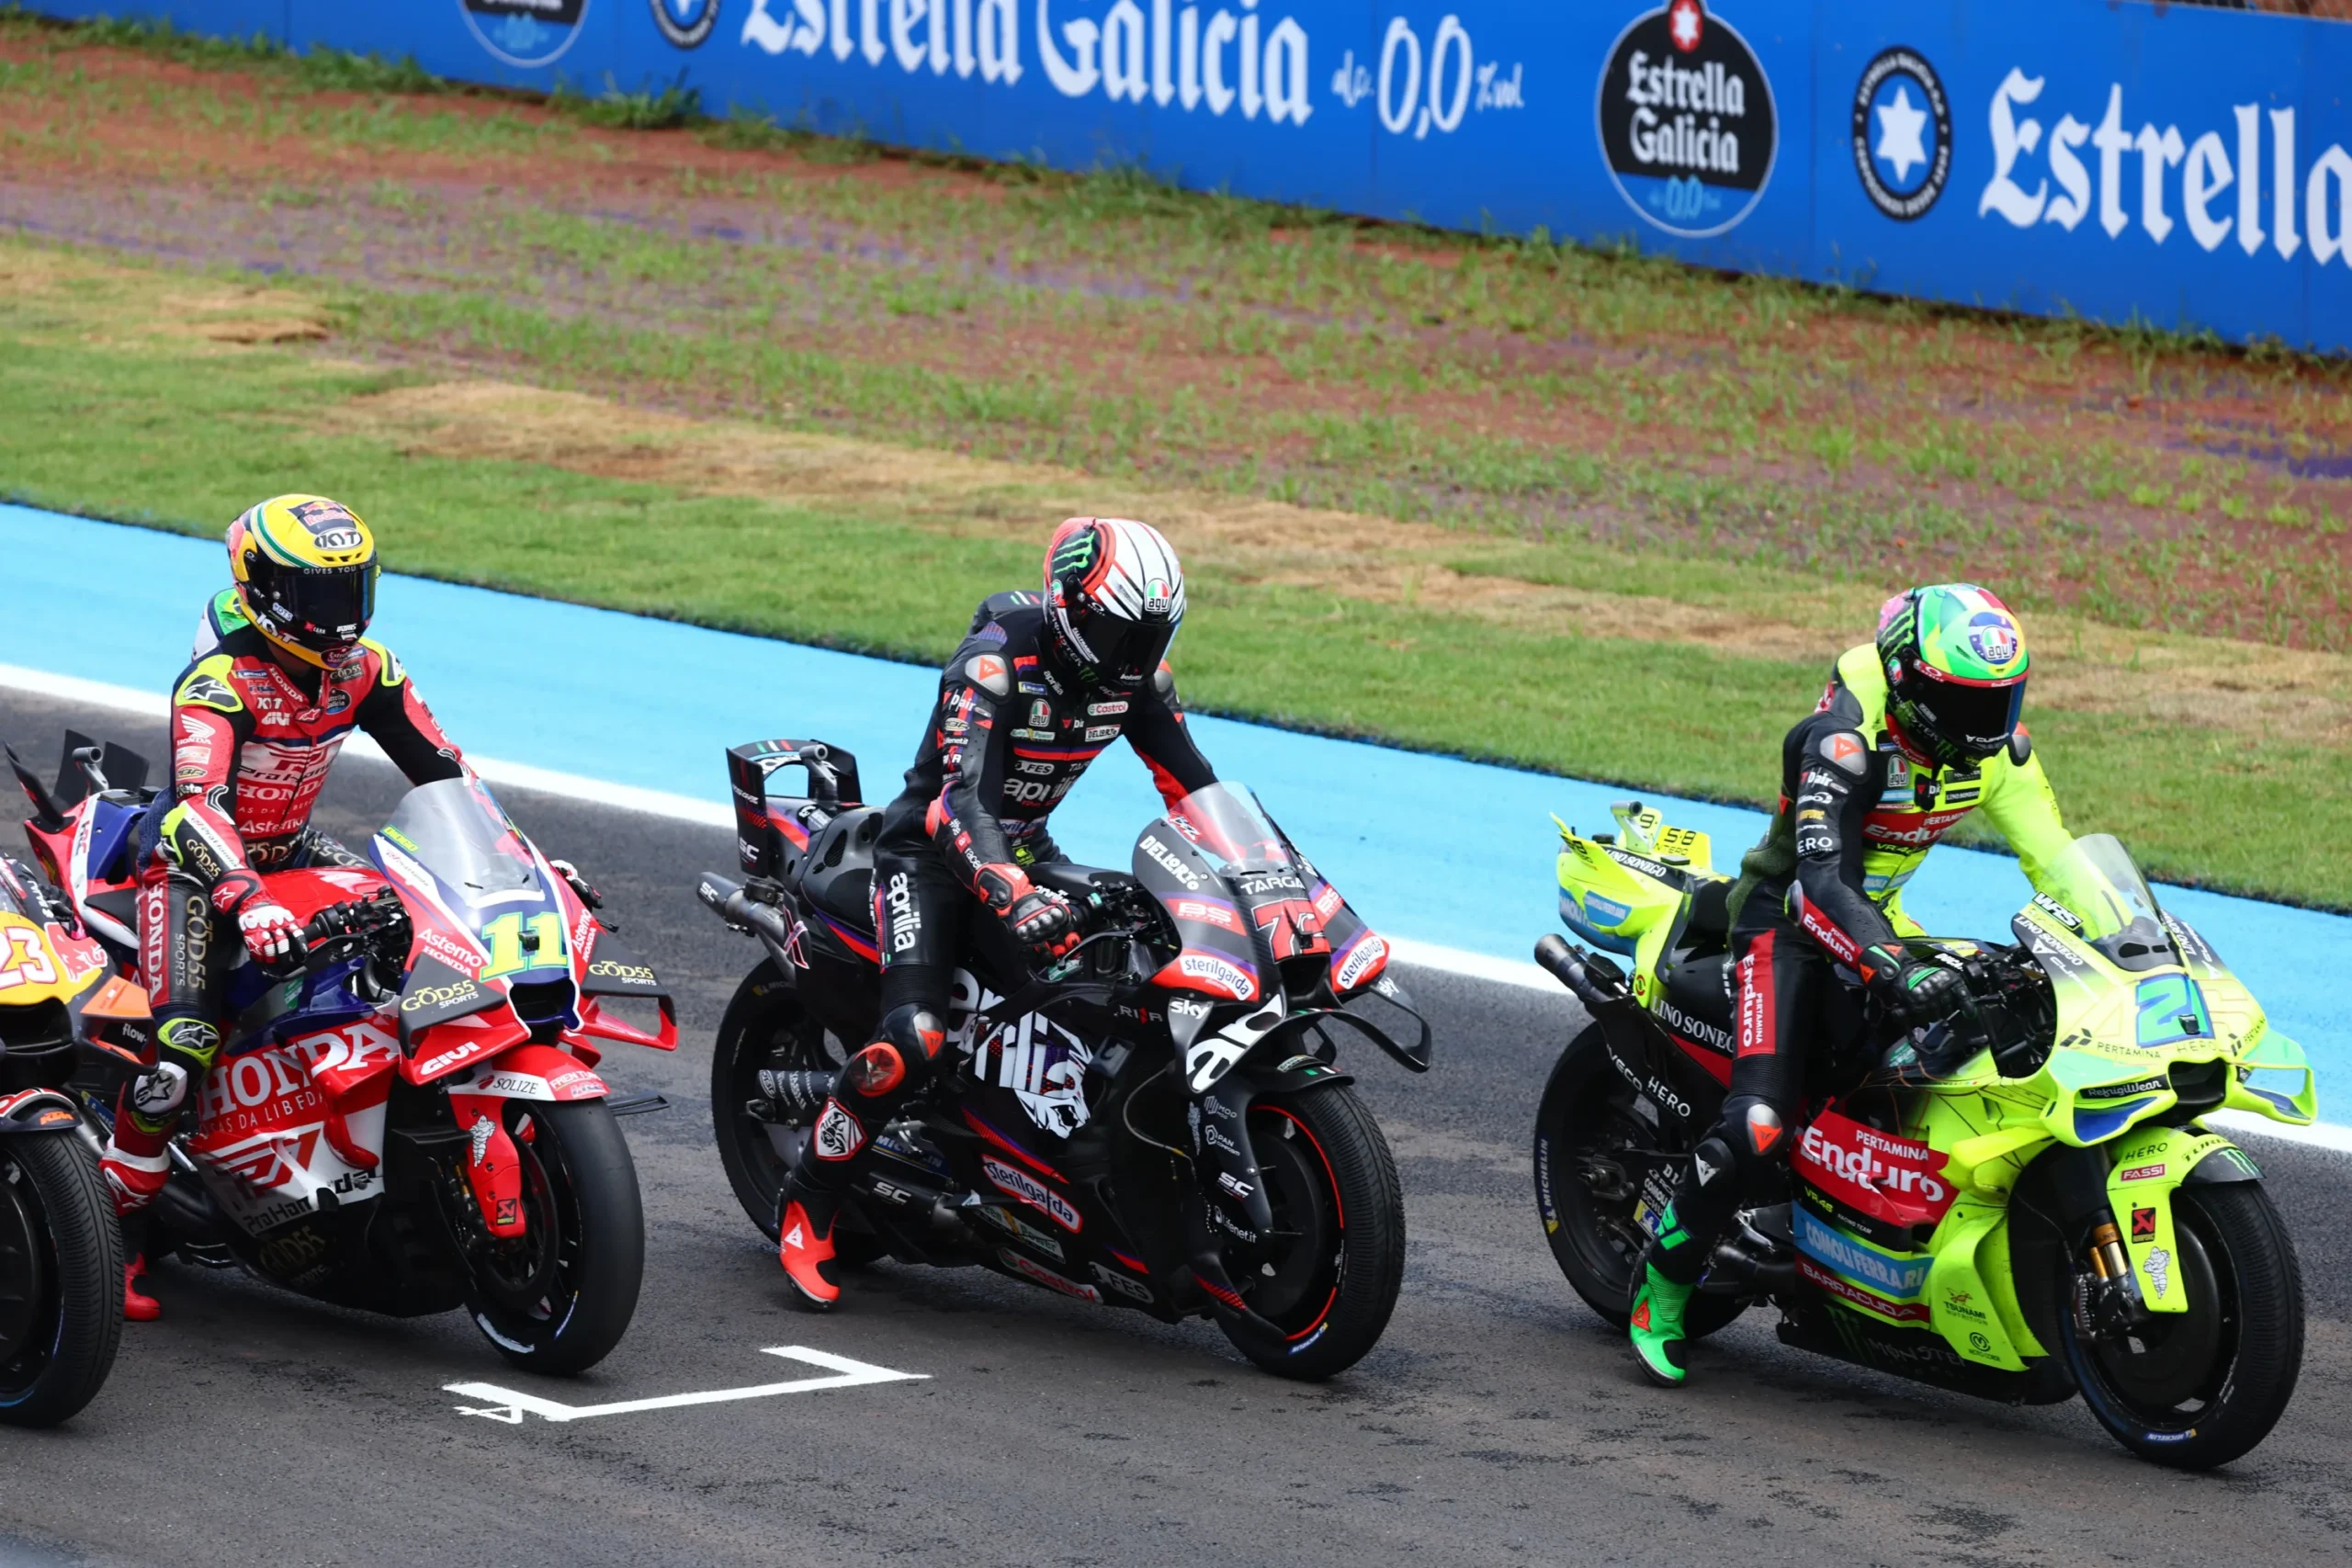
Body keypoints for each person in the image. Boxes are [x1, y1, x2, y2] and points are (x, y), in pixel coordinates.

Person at [96, 496, 572, 1320]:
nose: (339, 615)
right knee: (181, 1050)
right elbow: (193, 807)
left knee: (424, 940)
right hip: (195, 870)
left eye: (351, 591)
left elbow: (447, 773)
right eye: (318, 595)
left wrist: (516, 858)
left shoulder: (368, 668)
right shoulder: (219, 683)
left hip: (293, 847)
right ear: (265, 591)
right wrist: (243, 895)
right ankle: (113, 1233)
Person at [1628, 583, 2073, 1385]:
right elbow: (1819, 882)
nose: (1986, 727)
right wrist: (1889, 960)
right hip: (1786, 923)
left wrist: (2136, 938)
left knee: (1981, 1037)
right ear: (1907, 682)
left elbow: (2059, 860)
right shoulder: (1843, 739)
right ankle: (1659, 1284)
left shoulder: (1996, 752)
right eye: (1962, 704)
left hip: (1879, 924)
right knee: (1760, 1120)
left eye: (2000, 702)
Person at [775, 516, 1218, 1310]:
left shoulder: (1136, 681)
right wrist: (1012, 892)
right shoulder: (994, 665)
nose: (1134, 658)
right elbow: (957, 803)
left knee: (1119, 988)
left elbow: (1194, 786)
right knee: (916, 1038)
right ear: (1071, 610)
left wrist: (1274, 879)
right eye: (1120, 635)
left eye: (1151, 638)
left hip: (1029, 849)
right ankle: (810, 1197)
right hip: (927, 859)